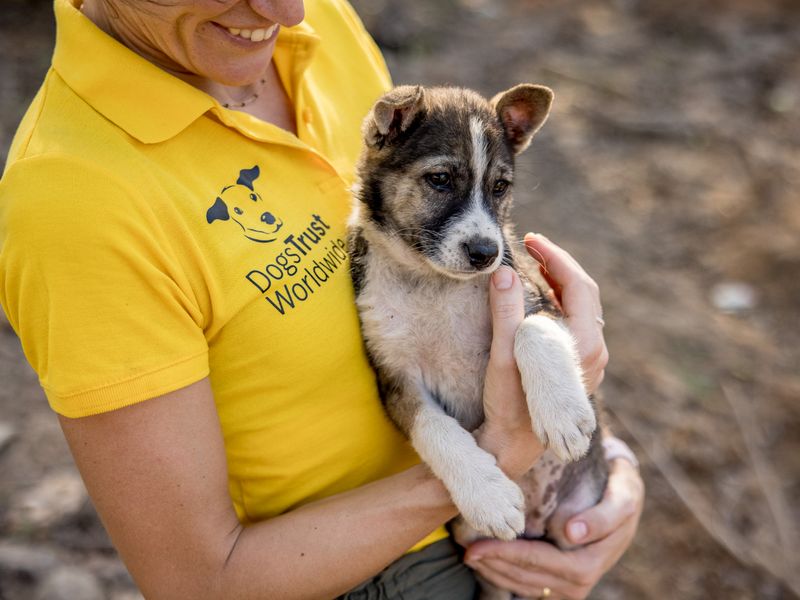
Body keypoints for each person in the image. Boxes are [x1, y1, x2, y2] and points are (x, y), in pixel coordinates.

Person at [0, 0, 643, 598]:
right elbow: (198, 580)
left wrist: (597, 466)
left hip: (498, 515)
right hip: (366, 575)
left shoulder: (312, 20)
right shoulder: (70, 202)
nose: (287, 13)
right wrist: (498, 457)